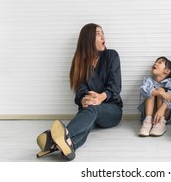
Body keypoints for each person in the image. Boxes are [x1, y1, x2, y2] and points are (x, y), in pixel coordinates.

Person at [36, 23, 123, 160]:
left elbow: (115, 86)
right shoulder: (81, 63)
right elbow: (80, 90)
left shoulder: (111, 55)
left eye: (103, 32)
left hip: (112, 110)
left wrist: (101, 97)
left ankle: (55, 139)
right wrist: (83, 99)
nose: (103, 36)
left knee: (93, 109)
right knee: (86, 122)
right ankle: (69, 146)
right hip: (90, 109)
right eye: (98, 33)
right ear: (88, 38)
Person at [138, 56, 171, 137]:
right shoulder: (148, 80)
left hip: (163, 114)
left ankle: (160, 123)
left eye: (159, 63)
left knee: (161, 90)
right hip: (150, 113)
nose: (155, 63)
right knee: (152, 91)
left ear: (167, 71)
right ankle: (148, 122)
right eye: (155, 62)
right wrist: (160, 93)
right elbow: (143, 90)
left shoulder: (170, 83)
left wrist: (161, 109)